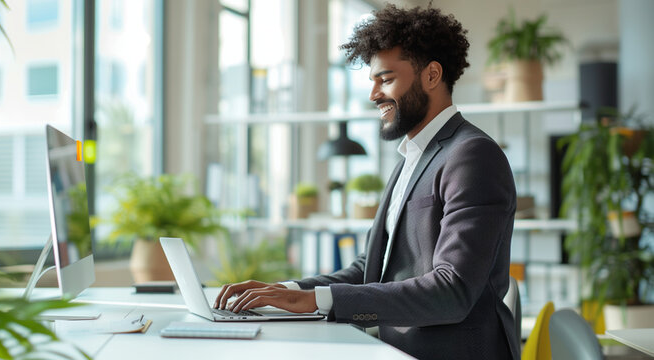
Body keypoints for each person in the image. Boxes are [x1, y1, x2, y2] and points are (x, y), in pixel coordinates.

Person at [214, 4, 519, 359]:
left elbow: (452, 292)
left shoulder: (472, 155)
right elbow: (372, 268)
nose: (374, 94)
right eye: (372, 81)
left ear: (432, 75)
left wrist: (313, 300)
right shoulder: (413, 155)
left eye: (386, 79)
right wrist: (286, 292)